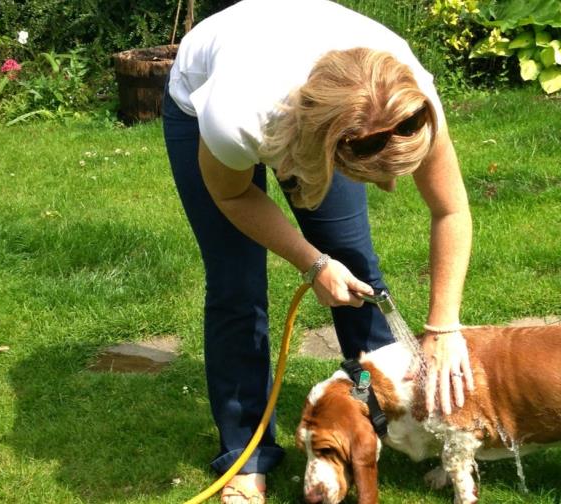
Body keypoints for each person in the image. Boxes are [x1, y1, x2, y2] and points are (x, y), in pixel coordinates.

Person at [161, 0, 473, 502]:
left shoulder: (408, 95)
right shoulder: (236, 114)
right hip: (212, 86)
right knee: (236, 283)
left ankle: (382, 423)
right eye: (373, 173)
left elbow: (451, 211)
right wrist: (312, 263)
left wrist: (443, 326)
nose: (390, 185)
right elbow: (233, 194)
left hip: (319, 93)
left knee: (352, 257)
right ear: (333, 146)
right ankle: (247, 454)